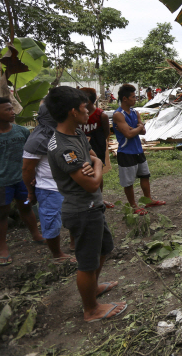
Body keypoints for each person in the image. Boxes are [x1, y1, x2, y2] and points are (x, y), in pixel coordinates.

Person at [45, 87, 126, 322]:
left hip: (93, 206)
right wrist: (98, 164)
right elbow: (91, 183)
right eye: (83, 107)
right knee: (87, 262)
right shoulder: (63, 147)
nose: (88, 110)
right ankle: (91, 309)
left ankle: (93, 288)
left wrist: (93, 161)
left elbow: (90, 154)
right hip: (82, 210)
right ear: (72, 111)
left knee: (102, 250)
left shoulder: (76, 133)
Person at [0, 98, 45, 266]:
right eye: (7, 110)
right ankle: (3, 247)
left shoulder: (21, 132)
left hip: (22, 180)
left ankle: (36, 234)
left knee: (26, 207)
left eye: (12, 108)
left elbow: (30, 156)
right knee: (0, 215)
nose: (13, 111)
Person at [22, 104, 77, 261]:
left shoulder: (66, 132)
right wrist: (31, 191)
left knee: (76, 215)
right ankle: (57, 254)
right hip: (49, 188)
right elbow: (27, 169)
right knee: (51, 222)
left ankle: (74, 244)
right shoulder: (38, 139)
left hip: (71, 183)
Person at [112, 84, 165, 215]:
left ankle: (148, 200)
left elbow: (143, 131)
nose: (135, 99)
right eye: (133, 97)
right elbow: (129, 135)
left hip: (138, 150)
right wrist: (136, 128)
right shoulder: (118, 115)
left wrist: (133, 129)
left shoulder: (135, 112)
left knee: (145, 176)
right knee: (128, 182)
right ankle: (133, 205)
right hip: (126, 152)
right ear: (125, 98)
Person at [79, 88, 114, 209]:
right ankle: (87, 199)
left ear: (88, 101)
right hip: (80, 150)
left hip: (97, 148)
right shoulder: (77, 115)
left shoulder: (101, 115)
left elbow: (106, 133)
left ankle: (99, 198)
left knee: (98, 173)